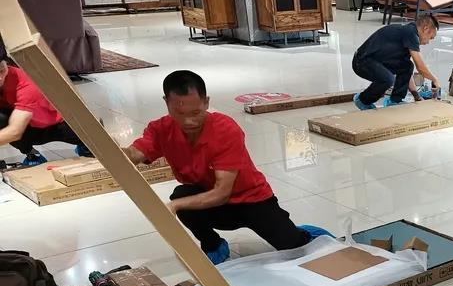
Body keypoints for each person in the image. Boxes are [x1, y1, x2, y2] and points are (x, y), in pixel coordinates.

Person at [123, 70, 330, 265]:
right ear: (166, 103)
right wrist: (118, 151)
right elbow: (134, 154)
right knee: (182, 196)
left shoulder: (225, 129)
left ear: (206, 102)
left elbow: (222, 193)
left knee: (295, 248)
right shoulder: (161, 129)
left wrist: (175, 206)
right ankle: (213, 245)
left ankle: (301, 234)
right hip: (211, 203)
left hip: (252, 200)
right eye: (179, 113)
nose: (188, 121)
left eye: (196, 112)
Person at [0, 46, 91, 167]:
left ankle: (85, 145)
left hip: (57, 122)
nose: (0, 78)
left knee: (94, 143)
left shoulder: (25, 83)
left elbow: (15, 131)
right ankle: (32, 154)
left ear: (7, 63)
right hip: (25, 122)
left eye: (1, 70)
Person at [351, 14, 441, 110]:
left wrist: (416, 95)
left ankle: (395, 101)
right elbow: (420, 67)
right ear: (426, 29)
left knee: (407, 66)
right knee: (388, 79)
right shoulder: (410, 33)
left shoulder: (409, 34)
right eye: (430, 37)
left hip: (375, 61)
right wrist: (434, 79)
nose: (428, 42)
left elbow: (407, 71)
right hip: (361, 62)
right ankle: (362, 100)